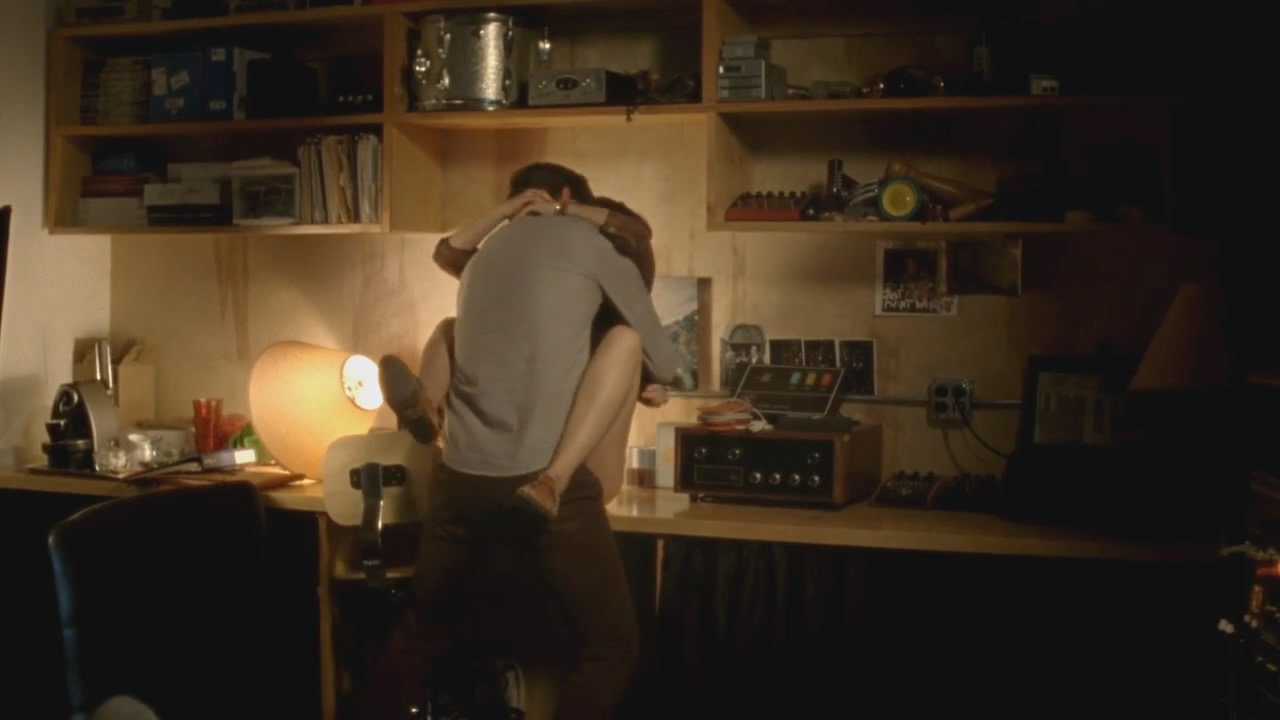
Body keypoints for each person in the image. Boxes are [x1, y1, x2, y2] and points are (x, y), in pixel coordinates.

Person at [381, 162, 667, 516]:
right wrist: (507, 211)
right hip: (518, 428)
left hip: (585, 409)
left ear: (566, 197)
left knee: (623, 344)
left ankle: (554, 480)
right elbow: (449, 255)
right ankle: (425, 406)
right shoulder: (518, 261)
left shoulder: (600, 239)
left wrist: (561, 210)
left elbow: (637, 236)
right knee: (451, 328)